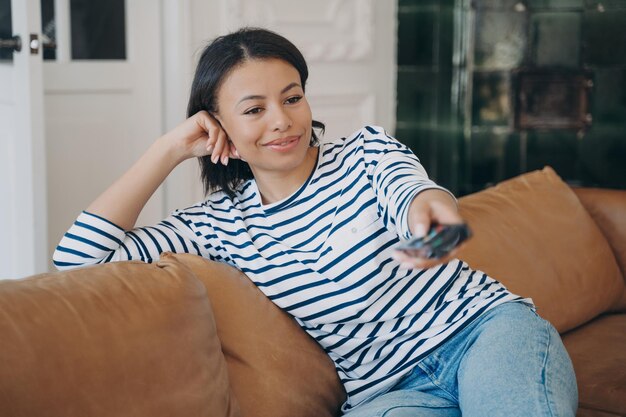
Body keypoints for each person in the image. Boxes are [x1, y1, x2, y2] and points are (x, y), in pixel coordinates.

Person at [53, 27, 578, 416]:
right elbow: (77, 263)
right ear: (219, 128)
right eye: (254, 109)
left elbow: (419, 196)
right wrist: (167, 149)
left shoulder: (365, 154)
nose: (282, 120)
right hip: (389, 393)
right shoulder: (216, 226)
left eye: (292, 98)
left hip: (484, 333)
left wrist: (430, 215)